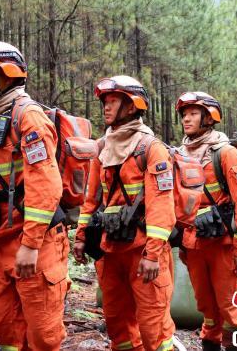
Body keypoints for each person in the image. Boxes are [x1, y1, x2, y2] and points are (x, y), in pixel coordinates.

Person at [0, 41, 69, 351]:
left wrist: (31, 244)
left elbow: (45, 185)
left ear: (7, 75)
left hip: (34, 241)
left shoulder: (29, 118)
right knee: (3, 327)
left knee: (43, 333)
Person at [74, 75, 176, 351]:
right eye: (105, 102)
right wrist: (81, 237)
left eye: (113, 101)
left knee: (154, 326)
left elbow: (161, 205)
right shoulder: (103, 148)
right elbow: (91, 198)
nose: (106, 107)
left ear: (132, 106)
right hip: (110, 249)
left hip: (142, 251)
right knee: (117, 322)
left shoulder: (151, 149)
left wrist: (153, 254)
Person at [175, 92, 237, 351]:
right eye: (184, 114)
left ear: (209, 117)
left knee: (232, 308)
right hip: (193, 245)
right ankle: (210, 343)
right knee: (206, 307)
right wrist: (179, 241)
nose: (186, 119)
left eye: (193, 113)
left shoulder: (226, 154)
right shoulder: (178, 155)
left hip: (223, 246)